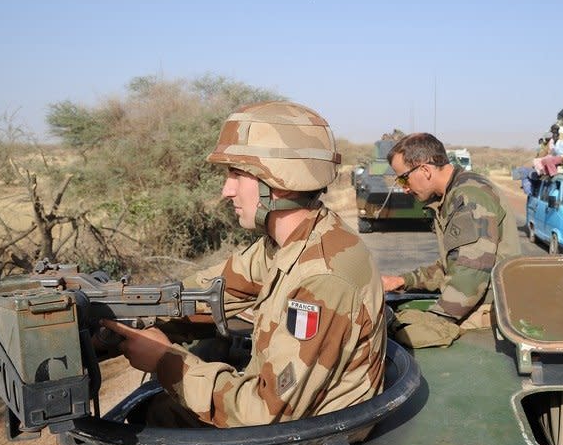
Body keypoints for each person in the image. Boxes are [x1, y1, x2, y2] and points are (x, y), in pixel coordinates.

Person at [102, 101, 387, 428]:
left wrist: (167, 362)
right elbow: (209, 291)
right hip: (290, 424)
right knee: (156, 407)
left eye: (237, 174)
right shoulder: (292, 241)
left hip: (299, 441)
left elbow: (263, 415)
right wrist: (120, 311)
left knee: (147, 418)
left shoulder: (323, 277)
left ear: (277, 179)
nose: (227, 190)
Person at [381, 133, 521, 347]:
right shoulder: (453, 194)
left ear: (425, 170)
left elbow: (470, 273)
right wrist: (403, 280)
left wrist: (437, 320)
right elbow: (454, 264)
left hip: (488, 311)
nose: (404, 188)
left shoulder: (469, 196)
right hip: (475, 302)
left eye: (403, 178)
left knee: (399, 337)